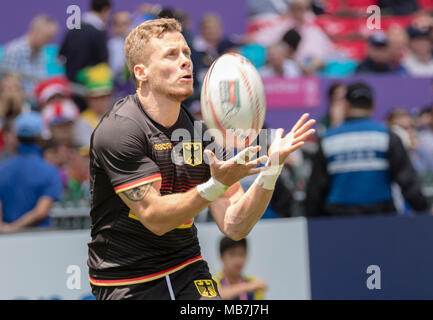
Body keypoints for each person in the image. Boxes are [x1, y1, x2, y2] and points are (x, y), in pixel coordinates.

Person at [87, 18, 315, 300]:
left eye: (185, 52)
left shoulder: (201, 133)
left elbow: (234, 225)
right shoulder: (120, 130)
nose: (186, 61)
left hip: (187, 267)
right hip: (127, 279)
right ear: (141, 72)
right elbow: (155, 217)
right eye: (171, 54)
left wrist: (271, 169)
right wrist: (215, 185)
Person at [305, 82, 429, 217]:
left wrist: (313, 220)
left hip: (339, 218)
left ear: (346, 105)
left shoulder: (328, 139)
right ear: (373, 105)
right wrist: (425, 211)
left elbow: (316, 189)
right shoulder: (387, 136)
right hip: (381, 217)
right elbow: (407, 181)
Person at [0, 112, 62, 232]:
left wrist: (8, 229)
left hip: (6, 244)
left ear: (17, 137)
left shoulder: (2, 169)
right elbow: (41, 212)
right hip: (38, 241)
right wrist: (14, 228)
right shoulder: (50, 171)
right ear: (40, 138)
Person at [0, 15, 58, 95]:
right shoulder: (14, 51)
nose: (49, 41)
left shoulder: (42, 52)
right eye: (48, 37)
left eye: (52, 37)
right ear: (35, 31)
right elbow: (6, 86)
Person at [59, 0, 111, 82]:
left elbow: (61, 56)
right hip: (90, 86)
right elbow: (103, 62)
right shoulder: (99, 32)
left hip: (70, 83)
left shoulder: (73, 29)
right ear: (105, 10)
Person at [108, 11, 132, 78]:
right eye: (119, 25)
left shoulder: (140, 45)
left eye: (125, 24)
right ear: (114, 27)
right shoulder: (109, 46)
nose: (123, 28)